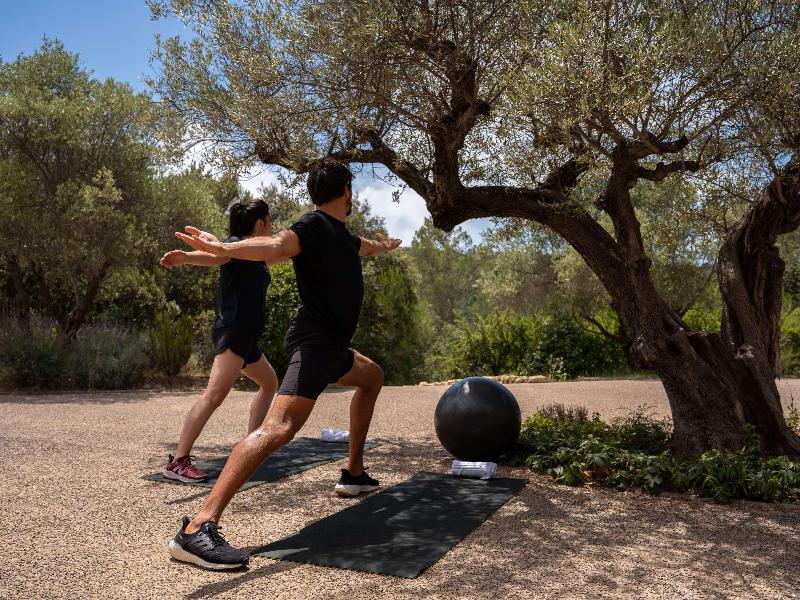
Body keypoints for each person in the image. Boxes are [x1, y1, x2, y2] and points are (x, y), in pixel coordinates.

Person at [167, 158, 401, 570]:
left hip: (333, 347)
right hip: (314, 344)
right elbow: (275, 247)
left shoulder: (343, 237)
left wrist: (383, 247)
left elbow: (363, 246)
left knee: (372, 377)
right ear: (347, 190)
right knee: (280, 428)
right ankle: (197, 528)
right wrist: (225, 248)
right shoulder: (311, 226)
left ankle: (353, 473)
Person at [159, 199, 283, 483]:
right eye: (270, 221)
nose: (272, 226)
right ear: (260, 223)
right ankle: (178, 462)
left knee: (269, 383)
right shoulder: (235, 245)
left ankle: (251, 446)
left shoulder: (255, 253)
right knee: (214, 395)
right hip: (234, 330)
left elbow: (281, 253)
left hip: (246, 335)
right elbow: (216, 257)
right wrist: (186, 257)